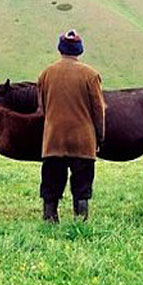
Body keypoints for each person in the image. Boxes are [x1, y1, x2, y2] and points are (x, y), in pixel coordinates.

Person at [37, 29, 105, 223]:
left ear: (61, 49)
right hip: (83, 141)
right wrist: (99, 137)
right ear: (79, 50)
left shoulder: (45, 74)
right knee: (82, 185)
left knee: (51, 183)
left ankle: (50, 220)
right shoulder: (91, 75)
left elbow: (41, 110)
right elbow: (98, 111)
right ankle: (80, 221)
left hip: (53, 141)